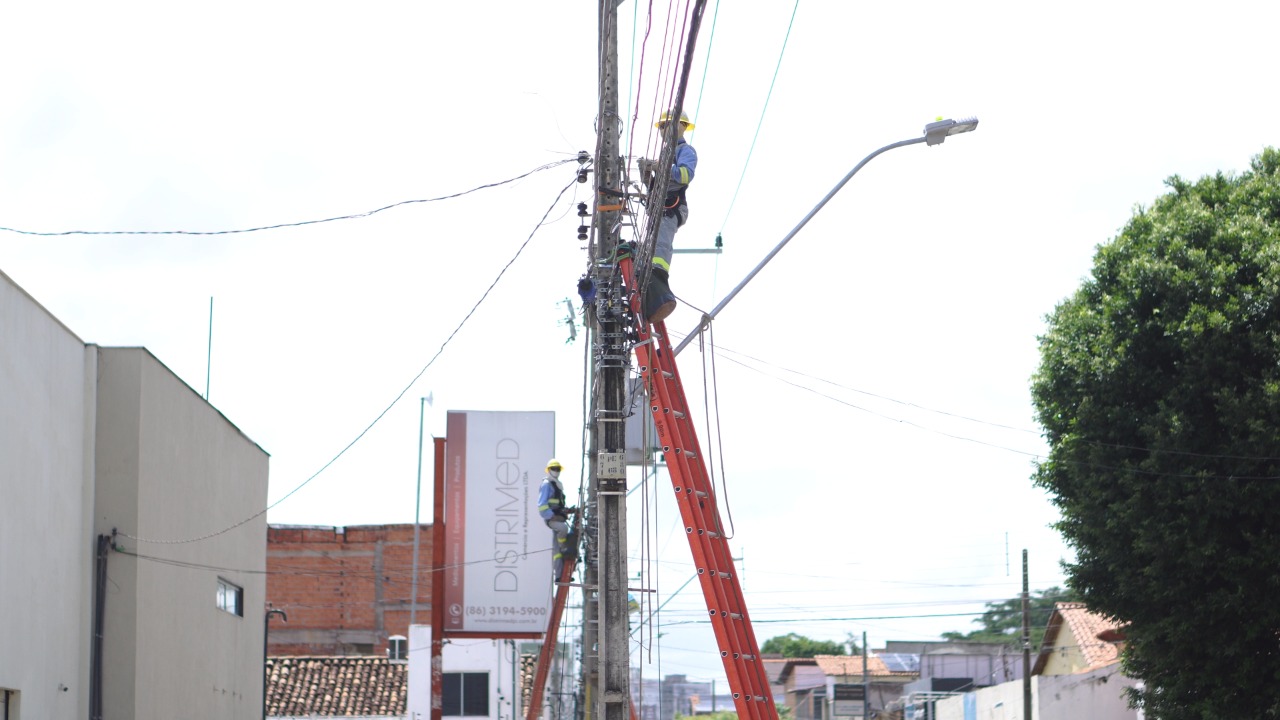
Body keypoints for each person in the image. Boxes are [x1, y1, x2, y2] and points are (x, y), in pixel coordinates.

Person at [637, 110, 698, 324]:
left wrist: (659, 166)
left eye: (668, 125)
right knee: (650, 246)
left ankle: (658, 282)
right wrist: (647, 175)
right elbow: (658, 186)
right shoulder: (664, 154)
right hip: (660, 207)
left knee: (661, 245)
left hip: (672, 207)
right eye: (661, 127)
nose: (664, 130)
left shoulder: (685, 150)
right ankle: (649, 284)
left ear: (681, 126)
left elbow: (684, 175)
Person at [536, 458, 577, 579]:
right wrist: (550, 515)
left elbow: (559, 504)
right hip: (552, 519)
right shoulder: (546, 484)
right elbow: (541, 505)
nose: (556, 471)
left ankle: (561, 575)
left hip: (559, 517)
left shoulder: (557, 485)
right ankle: (563, 546)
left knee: (557, 552)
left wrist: (567, 510)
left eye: (558, 469)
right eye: (553, 468)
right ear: (548, 470)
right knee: (563, 530)